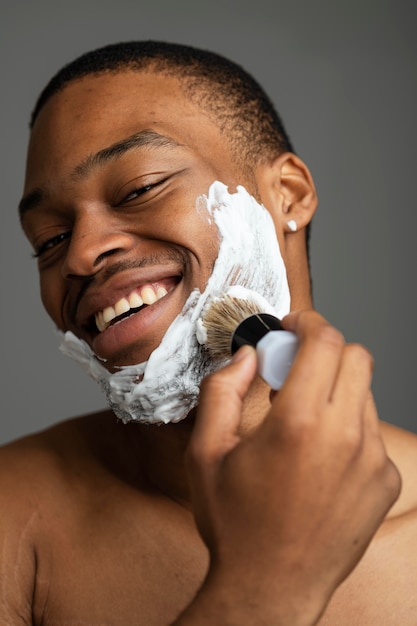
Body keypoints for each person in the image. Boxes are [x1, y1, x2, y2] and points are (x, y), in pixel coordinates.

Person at [1, 40, 415, 625]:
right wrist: (263, 588)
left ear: (287, 196)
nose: (81, 256)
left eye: (140, 188)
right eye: (48, 240)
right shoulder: (14, 519)